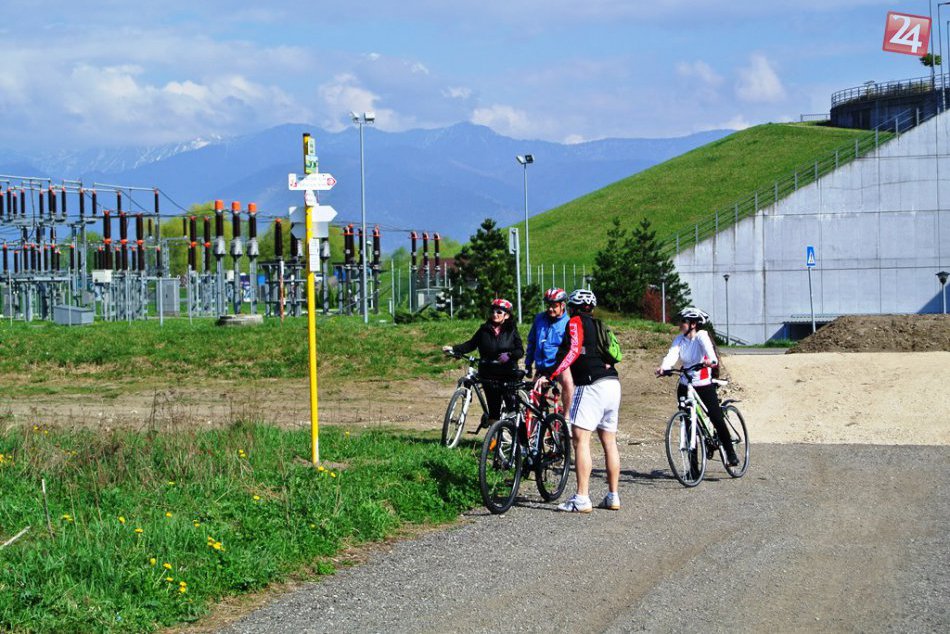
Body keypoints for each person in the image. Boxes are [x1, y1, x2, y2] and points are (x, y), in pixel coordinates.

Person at [537, 289, 621, 513]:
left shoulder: (574, 322)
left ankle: (582, 498)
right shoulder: (599, 324)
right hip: (613, 384)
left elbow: (573, 350)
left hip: (591, 385)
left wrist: (553, 374)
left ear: (572, 307)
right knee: (609, 442)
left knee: (580, 440)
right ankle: (613, 496)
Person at [654, 307, 739, 467]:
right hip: (686, 384)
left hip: (703, 384)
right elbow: (672, 354)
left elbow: (710, 353)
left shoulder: (701, 336)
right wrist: (663, 367)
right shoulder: (679, 339)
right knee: (687, 423)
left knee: (716, 418)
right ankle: (693, 468)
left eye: (683, 322)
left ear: (693, 324)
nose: (680, 324)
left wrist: (711, 361)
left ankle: (730, 452)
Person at [443, 298, 524, 427]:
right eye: (493, 311)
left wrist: (510, 355)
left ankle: (519, 440)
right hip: (488, 373)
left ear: (507, 315)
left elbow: (520, 351)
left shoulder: (512, 331)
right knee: (493, 410)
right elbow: (471, 344)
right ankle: (493, 440)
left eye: (499, 312)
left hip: (507, 373)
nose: (495, 314)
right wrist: (454, 349)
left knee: (511, 409)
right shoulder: (484, 330)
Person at [525, 288, 570, 379]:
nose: (550, 309)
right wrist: (528, 364)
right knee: (533, 392)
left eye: (554, 306)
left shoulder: (568, 323)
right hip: (540, 369)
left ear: (563, 305)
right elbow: (532, 342)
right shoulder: (539, 319)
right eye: (548, 305)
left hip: (559, 371)